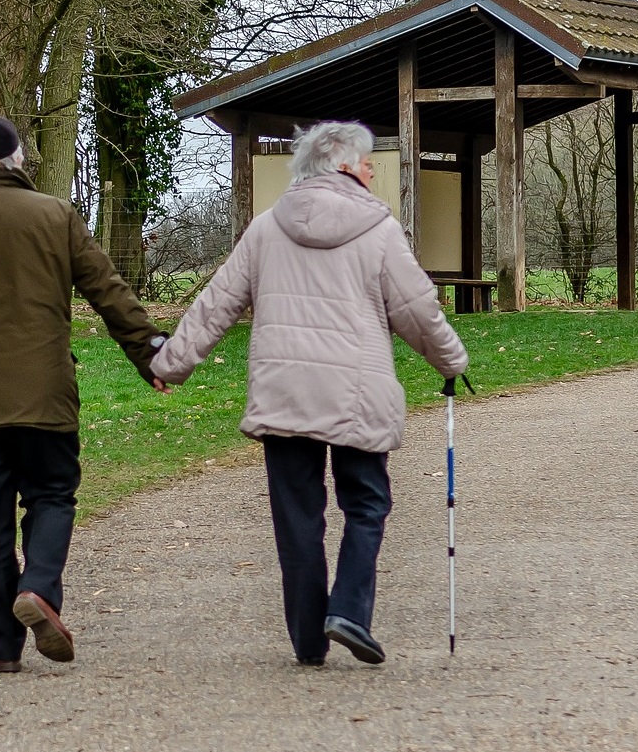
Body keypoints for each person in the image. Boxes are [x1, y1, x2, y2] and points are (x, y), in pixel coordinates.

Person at [149, 121, 467, 667]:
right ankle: (346, 608)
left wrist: (172, 363)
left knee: (297, 517)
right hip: (356, 392)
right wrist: (451, 361)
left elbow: (217, 302)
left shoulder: (266, 227)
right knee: (366, 503)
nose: (372, 171)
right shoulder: (379, 230)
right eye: (367, 162)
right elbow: (418, 311)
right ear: (343, 166)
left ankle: (307, 640)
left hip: (285, 392)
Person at [0, 116, 167, 673]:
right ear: (18, 159)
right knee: (51, 495)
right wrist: (150, 355)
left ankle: (2, 646)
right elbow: (108, 291)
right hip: (46, 394)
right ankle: (39, 586)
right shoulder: (55, 216)